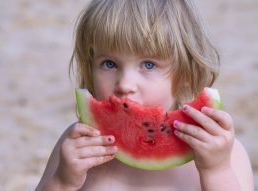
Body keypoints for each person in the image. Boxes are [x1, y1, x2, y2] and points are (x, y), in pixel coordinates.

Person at [35, 0, 254, 190]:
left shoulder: (225, 152)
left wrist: (216, 171)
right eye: (109, 63)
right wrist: (63, 182)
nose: (125, 84)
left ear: (187, 72)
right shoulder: (77, 145)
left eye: (148, 64)